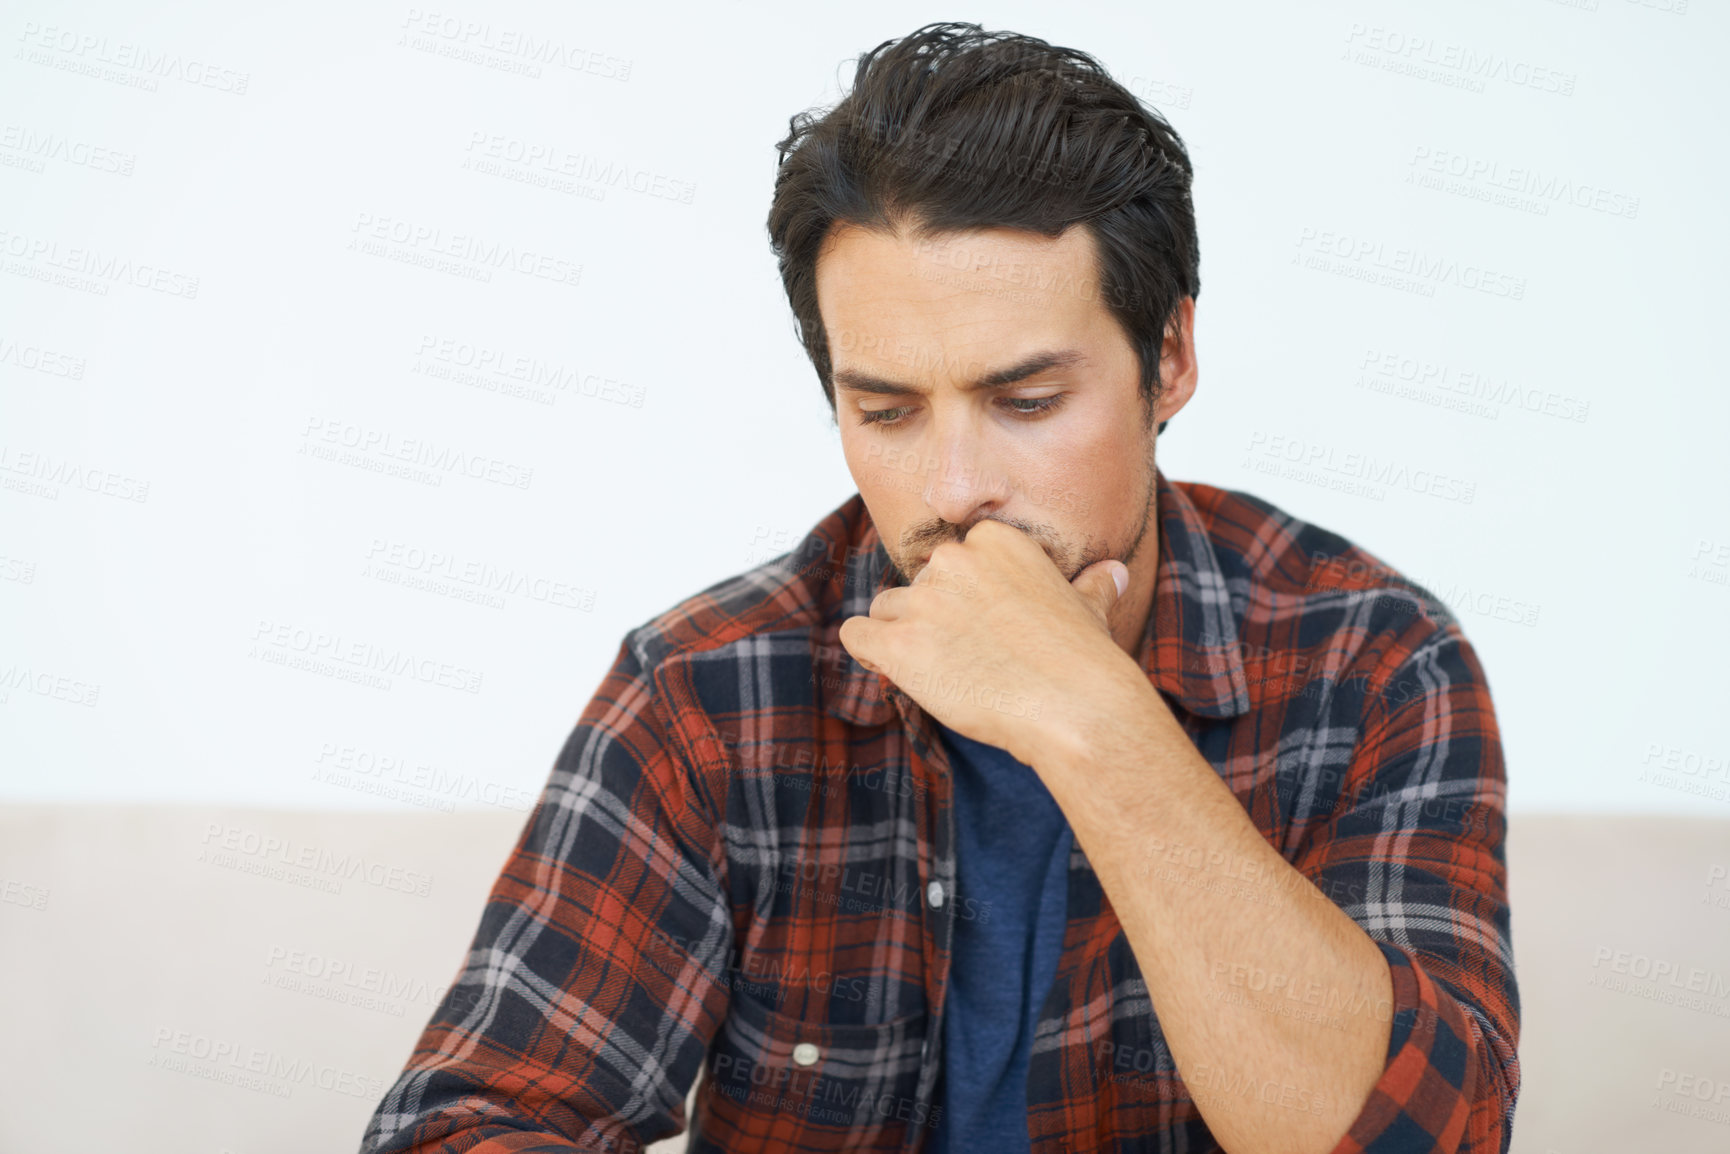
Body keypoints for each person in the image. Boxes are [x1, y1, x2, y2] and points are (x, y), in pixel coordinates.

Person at [360, 21, 1518, 1154]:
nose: (956, 489)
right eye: (885, 410)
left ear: (1166, 357)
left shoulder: (1371, 660)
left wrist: (1091, 718)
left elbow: (1419, 1137)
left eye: (1025, 402)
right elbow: (459, 1125)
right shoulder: (707, 688)